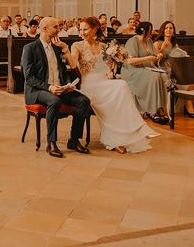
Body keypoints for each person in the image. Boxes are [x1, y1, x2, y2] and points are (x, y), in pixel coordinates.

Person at [68, 17, 158, 153]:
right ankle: (138, 127)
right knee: (120, 88)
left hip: (104, 81)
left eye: (85, 29)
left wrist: (113, 65)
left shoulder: (105, 47)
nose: (82, 32)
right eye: (80, 29)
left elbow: (116, 64)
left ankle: (120, 139)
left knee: (121, 87)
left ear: (95, 29)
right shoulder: (77, 45)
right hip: (88, 84)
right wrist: (65, 51)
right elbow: (73, 63)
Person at [20, 16, 90, 158]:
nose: (59, 29)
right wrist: (50, 87)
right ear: (45, 28)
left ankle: (73, 139)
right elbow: (29, 78)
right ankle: (51, 142)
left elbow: (66, 70)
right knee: (54, 100)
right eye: (56, 27)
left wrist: (68, 85)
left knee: (84, 101)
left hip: (59, 87)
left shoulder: (57, 48)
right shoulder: (30, 48)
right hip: (38, 90)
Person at [121, 21, 169, 123]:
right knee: (154, 77)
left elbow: (154, 57)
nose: (151, 33)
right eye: (150, 31)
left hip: (146, 68)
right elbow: (130, 61)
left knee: (163, 75)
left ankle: (161, 108)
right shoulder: (132, 41)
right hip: (132, 70)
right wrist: (148, 58)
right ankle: (152, 110)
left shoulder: (149, 41)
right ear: (144, 31)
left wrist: (158, 55)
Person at [154, 21, 194, 116]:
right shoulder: (157, 43)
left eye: (171, 28)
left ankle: (188, 102)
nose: (168, 30)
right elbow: (155, 61)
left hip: (175, 69)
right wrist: (163, 47)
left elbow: (178, 56)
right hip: (163, 70)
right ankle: (162, 108)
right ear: (163, 31)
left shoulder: (175, 44)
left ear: (173, 31)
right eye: (166, 28)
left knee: (193, 78)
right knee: (172, 78)